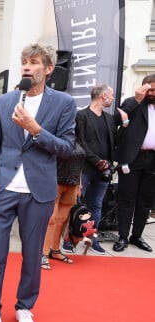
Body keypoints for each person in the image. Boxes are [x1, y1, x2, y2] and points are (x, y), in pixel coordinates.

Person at [0, 44, 76, 322]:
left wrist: (36, 129)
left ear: (48, 69)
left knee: (31, 253)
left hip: (39, 190)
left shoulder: (63, 103)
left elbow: (66, 149)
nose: (27, 66)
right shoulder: (5, 101)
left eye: (34, 62)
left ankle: (25, 307)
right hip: (3, 188)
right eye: (24, 62)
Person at [61, 84, 120, 255]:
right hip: (84, 168)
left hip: (104, 170)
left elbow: (114, 143)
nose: (112, 98)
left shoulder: (109, 119)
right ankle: (69, 240)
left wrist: (108, 163)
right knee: (76, 204)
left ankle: (92, 238)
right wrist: (96, 161)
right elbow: (81, 142)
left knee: (97, 204)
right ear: (102, 96)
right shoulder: (81, 115)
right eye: (111, 95)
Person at [113, 74, 155, 253]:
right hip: (132, 159)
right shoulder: (133, 103)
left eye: (154, 89)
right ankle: (123, 236)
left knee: (145, 201)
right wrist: (136, 100)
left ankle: (136, 236)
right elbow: (115, 120)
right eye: (148, 89)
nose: (151, 92)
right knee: (126, 199)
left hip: (152, 160)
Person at [40, 124, 86, 270]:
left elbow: (80, 164)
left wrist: (79, 184)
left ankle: (55, 250)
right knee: (51, 220)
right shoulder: (55, 137)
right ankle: (43, 254)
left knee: (61, 220)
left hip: (72, 184)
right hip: (55, 182)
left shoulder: (79, 140)